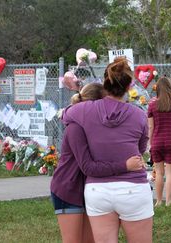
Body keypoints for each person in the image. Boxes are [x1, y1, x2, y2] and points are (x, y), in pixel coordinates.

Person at [63, 57, 153, 243]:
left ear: (105, 83)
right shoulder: (138, 115)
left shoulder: (84, 110)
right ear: (129, 87)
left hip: (98, 190)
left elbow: (65, 115)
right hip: (133, 188)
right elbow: (140, 148)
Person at [50, 83, 145, 243]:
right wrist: (125, 165)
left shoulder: (95, 127)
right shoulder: (75, 128)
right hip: (68, 188)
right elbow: (87, 167)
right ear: (94, 105)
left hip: (89, 189)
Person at [147, 77, 171, 207]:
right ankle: (168, 201)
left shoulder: (152, 105)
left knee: (159, 172)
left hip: (157, 141)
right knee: (170, 173)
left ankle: (158, 201)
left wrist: (150, 143)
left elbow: (150, 127)